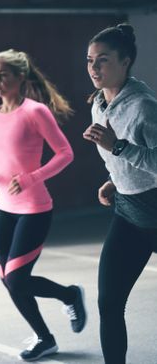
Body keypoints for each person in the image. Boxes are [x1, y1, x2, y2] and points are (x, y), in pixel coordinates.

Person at [0, 49, 85, 361]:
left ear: (20, 77)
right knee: (9, 280)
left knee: (16, 278)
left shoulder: (35, 112)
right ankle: (45, 338)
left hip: (35, 208)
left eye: (3, 75)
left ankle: (69, 295)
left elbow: (66, 153)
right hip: (5, 209)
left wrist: (31, 178)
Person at [83, 24, 157, 364]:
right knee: (109, 303)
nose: (94, 69)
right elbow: (121, 158)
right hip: (129, 212)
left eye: (103, 61)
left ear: (125, 62)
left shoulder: (143, 106)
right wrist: (115, 179)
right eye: (89, 61)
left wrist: (118, 148)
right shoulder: (98, 104)